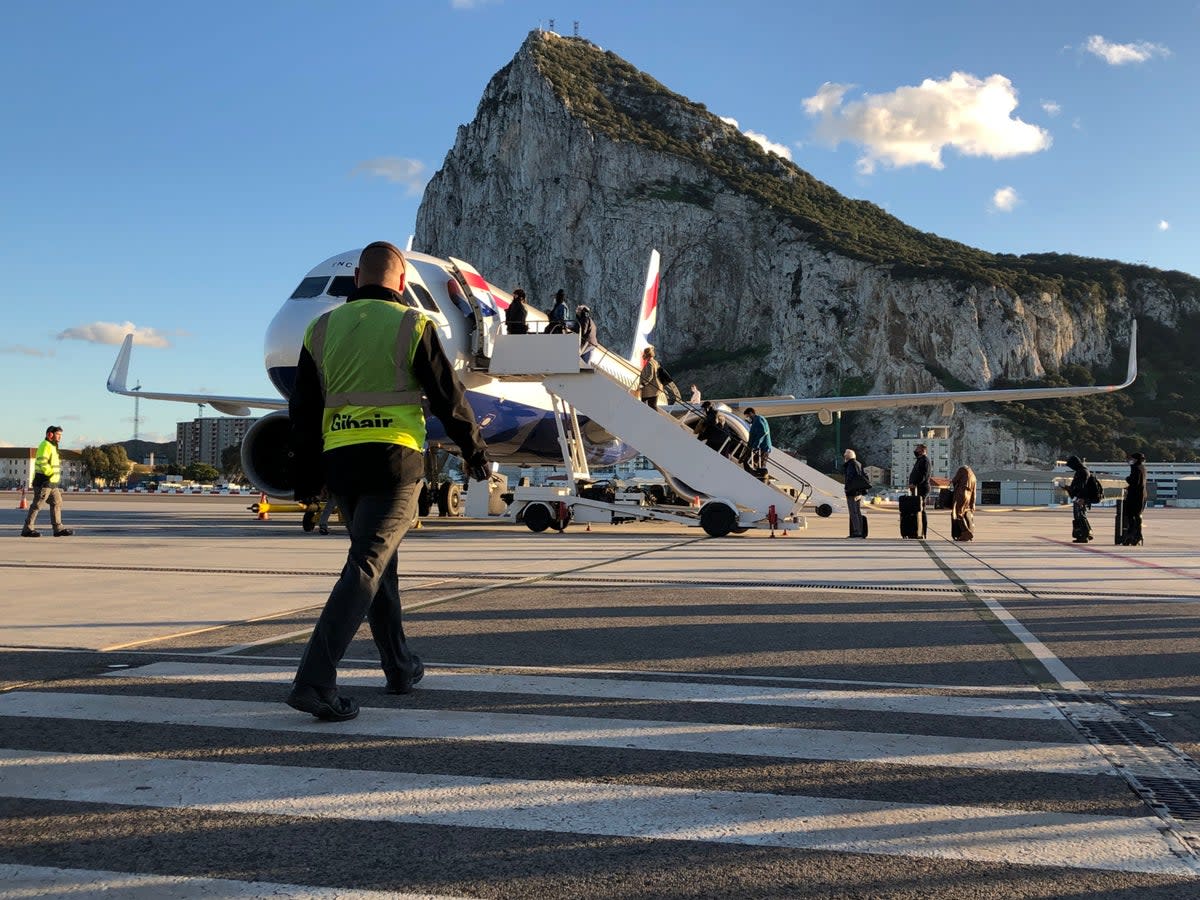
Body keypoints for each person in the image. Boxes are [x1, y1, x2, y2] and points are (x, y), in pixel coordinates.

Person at [286, 240, 490, 722]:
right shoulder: (413, 323)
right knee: (365, 567)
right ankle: (314, 681)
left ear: (358, 279)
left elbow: (302, 411)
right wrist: (475, 453)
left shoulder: (320, 328)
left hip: (341, 464)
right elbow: (449, 399)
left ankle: (399, 667)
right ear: (401, 281)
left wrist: (307, 475)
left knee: (380, 569)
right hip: (394, 463)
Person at [22, 425, 72, 537]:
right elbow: (42, 463)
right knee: (37, 505)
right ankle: (27, 529)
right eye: (58, 434)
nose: (60, 437)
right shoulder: (45, 445)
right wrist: (50, 473)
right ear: (50, 434)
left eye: (60, 435)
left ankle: (58, 528)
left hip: (52, 483)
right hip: (44, 482)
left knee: (57, 502)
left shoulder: (52, 447)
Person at [1064, 455, 1093, 543]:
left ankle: (1085, 535)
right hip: (1080, 498)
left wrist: (1080, 498)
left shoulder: (1082, 472)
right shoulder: (1083, 471)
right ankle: (1083, 534)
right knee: (1080, 516)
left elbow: (1081, 487)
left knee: (1080, 516)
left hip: (1080, 498)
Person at [1123, 451, 1147, 545]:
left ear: (1136, 460)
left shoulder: (1135, 468)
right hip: (1142, 495)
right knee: (1137, 515)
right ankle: (1137, 535)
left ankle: (1132, 534)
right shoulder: (1143, 468)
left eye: (1132, 459)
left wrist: (1127, 479)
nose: (1130, 461)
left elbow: (1134, 481)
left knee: (1131, 515)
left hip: (1135, 495)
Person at [907, 443, 931, 538]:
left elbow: (923, 476)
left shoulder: (925, 461)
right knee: (917, 509)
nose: (916, 451)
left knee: (921, 509)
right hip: (917, 488)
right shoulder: (919, 460)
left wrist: (915, 483)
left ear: (923, 451)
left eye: (917, 449)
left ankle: (922, 532)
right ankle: (916, 530)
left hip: (921, 488)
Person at [843, 449, 867, 538]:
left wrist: (847, 489)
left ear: (847, 457)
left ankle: (857, 531)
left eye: (845, 455)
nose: (844, 457)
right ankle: (860, 530)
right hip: (858, 491)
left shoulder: (850, 465)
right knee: (858, 511)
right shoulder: (858, 464)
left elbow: (850, 478)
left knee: (853, 512)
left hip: (852, 492)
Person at [950, 465, 977, 541]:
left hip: (962, 494)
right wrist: (972, 504)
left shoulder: (962, 470)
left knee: (958, 513)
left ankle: (966, 532)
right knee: (965, 513)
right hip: (969, 495)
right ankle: (967, 531)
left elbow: (955, 480)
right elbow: (974, 492)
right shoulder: (974, 476)